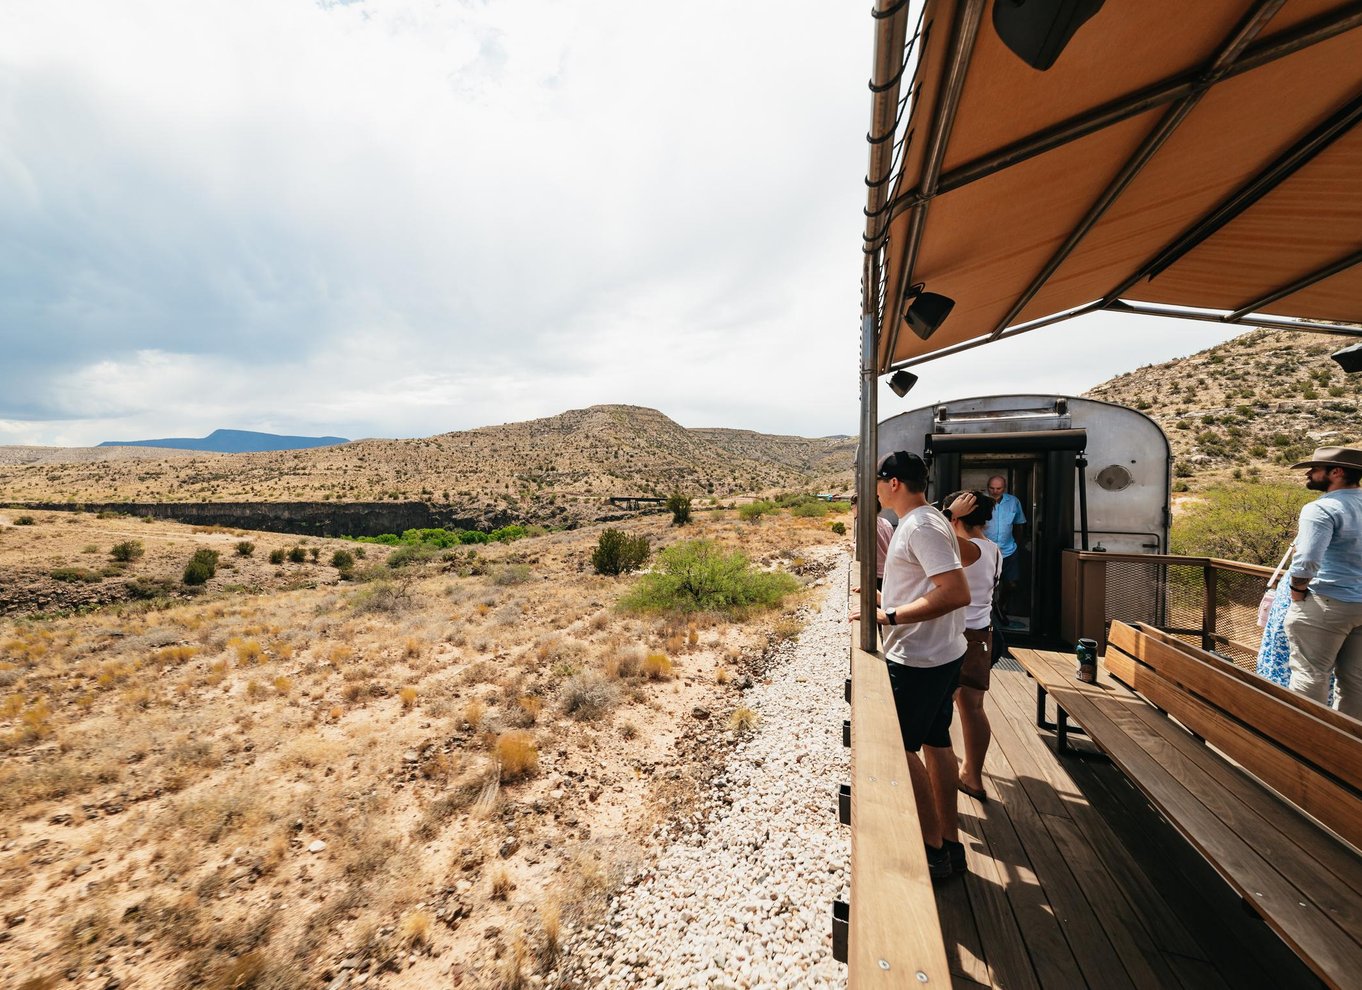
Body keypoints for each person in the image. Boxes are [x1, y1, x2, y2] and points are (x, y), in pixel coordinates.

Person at [849, 451, 970, 879]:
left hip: (919, 659)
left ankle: (931, 849)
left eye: (879, 481)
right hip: (941, 653)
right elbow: (925, 584)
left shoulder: (919, 524)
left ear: (894, 482)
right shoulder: (926, 520)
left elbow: (955, 592)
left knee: (900, 749)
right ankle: (950, 843)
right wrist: (880, 600)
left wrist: (891, 617)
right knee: (937, 741)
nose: (875, 489)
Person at [1283, 446, 1362, 717]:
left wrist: (1297, 590)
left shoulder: (1321, 508)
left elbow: (1307, 559)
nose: (1309, 473)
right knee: (1355, 682)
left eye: (1315, 469)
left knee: (1311, 675)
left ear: (1336, 472)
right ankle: (1347, 748)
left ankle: (1306, 747)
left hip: (1327, 602)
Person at [941, 490, 1001, 802]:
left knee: (937, 710)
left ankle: (942, 777)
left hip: (956, 636)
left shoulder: (969, 549)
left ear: (960, 516)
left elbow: (933, 537)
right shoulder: (992, 549)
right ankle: (973, 776)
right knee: (973, 708)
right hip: (981, 636)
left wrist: (948, 513)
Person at [983, 475, 1027, 627]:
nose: (995, 492)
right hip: (986, 550)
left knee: (1011, 583)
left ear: (1005, 488)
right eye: (992, 488)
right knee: (986, 585)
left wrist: (1019, 545)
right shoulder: (981, 501)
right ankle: (987, 613)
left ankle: (1000, 607)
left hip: (1009, 550)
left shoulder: (1013, 502)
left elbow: (1019, 523)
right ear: (987, 487)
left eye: (998, 489)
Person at [850, 492, 894, 590]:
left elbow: (862, 553)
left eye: (853, 504)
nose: (852, 508)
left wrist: (853, 546)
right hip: (889, 573)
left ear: (860, 507)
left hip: (875, 575)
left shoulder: (863, 525)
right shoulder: (886, 522)